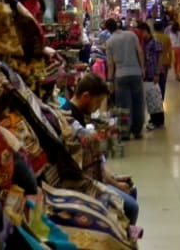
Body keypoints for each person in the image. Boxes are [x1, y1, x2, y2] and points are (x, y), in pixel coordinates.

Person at [60, 74, 140, 225]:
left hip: (91, 175)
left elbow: (95, 161)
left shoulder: (77, 114)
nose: (97, 107)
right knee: (132, 206)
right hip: (82, 184)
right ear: (85, 96)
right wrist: (115, 184)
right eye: (97, 102)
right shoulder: (71, 121)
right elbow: (87, 169)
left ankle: (125, 234)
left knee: (131, 188)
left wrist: (113, 178)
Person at [105, 18, 145, 141]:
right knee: (138, 103)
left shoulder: (109, 42)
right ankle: (137, 131)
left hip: (120, 75)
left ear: (108, 29)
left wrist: (110, 80)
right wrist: (142, 68)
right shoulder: (131, 34)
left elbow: (110, 64)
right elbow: (140, 52)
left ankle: (125, 133)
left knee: (123, 105)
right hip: (135, 72)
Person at [151, 20, 173, 98]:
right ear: (162, 28)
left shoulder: (152, 37)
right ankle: (161, 98)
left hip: (153, 63)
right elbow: (170, 52)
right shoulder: (166, 38)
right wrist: (170, 62)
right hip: (164, 62)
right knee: (162, 82)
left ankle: (154, 98)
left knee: (153, 82)